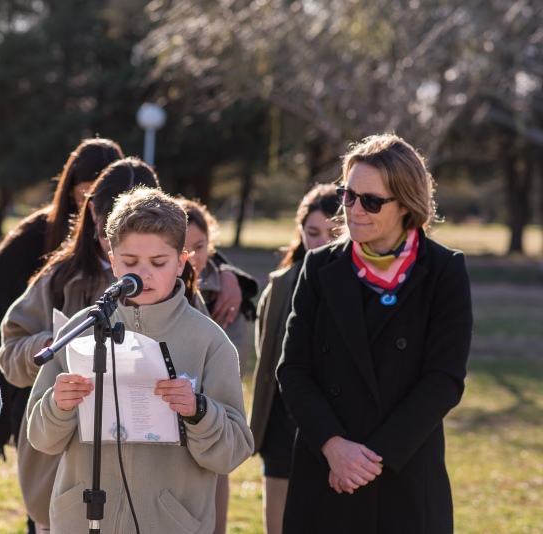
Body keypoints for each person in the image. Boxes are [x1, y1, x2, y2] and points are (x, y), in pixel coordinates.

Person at [26, 187, 254, 532]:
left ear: (181, 263)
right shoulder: (82, 329)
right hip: (82, 519)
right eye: (130, 262)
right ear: (113, 260)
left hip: (169, 523)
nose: (143, 274)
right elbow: (41, 438)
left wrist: (199, 411)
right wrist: (58, 405)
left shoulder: (210, 342)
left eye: (159, 263)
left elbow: (233, 453)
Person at [276, 134, 473, 533]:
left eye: (371, 200)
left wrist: (369, 460)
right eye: (348, 195)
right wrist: (334, 447)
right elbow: (293, 369)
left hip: (404, 474)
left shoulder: (444, 271)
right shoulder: (318, 268)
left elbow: (444, 379)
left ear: (406, 204)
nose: (353, 210)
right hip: (326, 471)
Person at [0, 157, 162, 532]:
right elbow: (10, 354)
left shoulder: (176, 283)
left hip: (149, 480)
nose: (119, 247)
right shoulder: (60, 278)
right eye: (109, 232)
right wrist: (59, 342)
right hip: (66, 477)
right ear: (91, 213)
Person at [0, 138, 122, 534]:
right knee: (46, 507)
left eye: (102, 186)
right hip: (43, 387)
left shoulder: (145, 242)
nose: (92, 197)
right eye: (86, 186)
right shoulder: (41, 236)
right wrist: (42, 346)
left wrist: (230, 279)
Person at [248, 183, 340, 533]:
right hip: (282, 429)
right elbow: (267, 357)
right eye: (312, 232)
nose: (320, 242)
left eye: (332, 233)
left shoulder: (359, 284)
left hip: (337, 429)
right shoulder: (281, 284)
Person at [177, 197, 259, 534]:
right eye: (186, 247)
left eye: (202, 245)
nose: (195, 256)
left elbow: (233, 358)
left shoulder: (225, 289)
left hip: (210, 414)